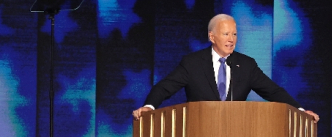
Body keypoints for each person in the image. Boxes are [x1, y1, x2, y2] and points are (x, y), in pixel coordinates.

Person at [132, 14, 320, 123]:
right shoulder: (193, 63)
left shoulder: (246, 65)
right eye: (226, 34)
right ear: (212, 37)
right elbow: (165, 87)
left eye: (235, 34)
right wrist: (149, 107)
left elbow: (273, 91)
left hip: (236, 135)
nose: (231, 39)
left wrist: (300, 110)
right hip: (199, 134)